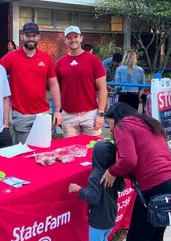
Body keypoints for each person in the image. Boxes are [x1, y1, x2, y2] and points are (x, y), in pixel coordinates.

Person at [101, 102, 171, 241]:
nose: (110, 129)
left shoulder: (123, 126)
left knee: (136, 236)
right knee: (156, 232)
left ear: (116, 118)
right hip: (168, 180)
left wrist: (111, 172)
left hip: (153, 184)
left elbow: (128, 160)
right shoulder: (149, 123)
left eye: (109, 123)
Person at [0, 22, 62, 144]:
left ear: (38, 37)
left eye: (34, 35)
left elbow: (53, 84)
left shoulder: (45, 58)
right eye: (28, 35)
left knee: (42, 153)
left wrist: (58, 111)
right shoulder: (11, 57)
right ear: (22, 37)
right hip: (21, 114)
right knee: (23, 155)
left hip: (42, 114)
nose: (31, 38)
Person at [55, 26, 107, 137]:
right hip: (68, 115)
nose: (73, 40)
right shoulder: (60, 63)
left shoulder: (94, 60)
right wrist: (58, 111)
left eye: (75, 36)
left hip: (90, 114)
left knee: (93, 150)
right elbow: (56, 89)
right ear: (65, 40)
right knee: (71, 151)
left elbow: (102, 88)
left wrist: (100, 114)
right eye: (69, 37)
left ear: (81, 38)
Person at [69, 140, 125, 241]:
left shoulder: (95, 176)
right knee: (104, 238)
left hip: (98, 221)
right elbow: (122, 187)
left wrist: (79, 189)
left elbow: (93, 198)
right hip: (111, 217)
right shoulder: (114, 173)